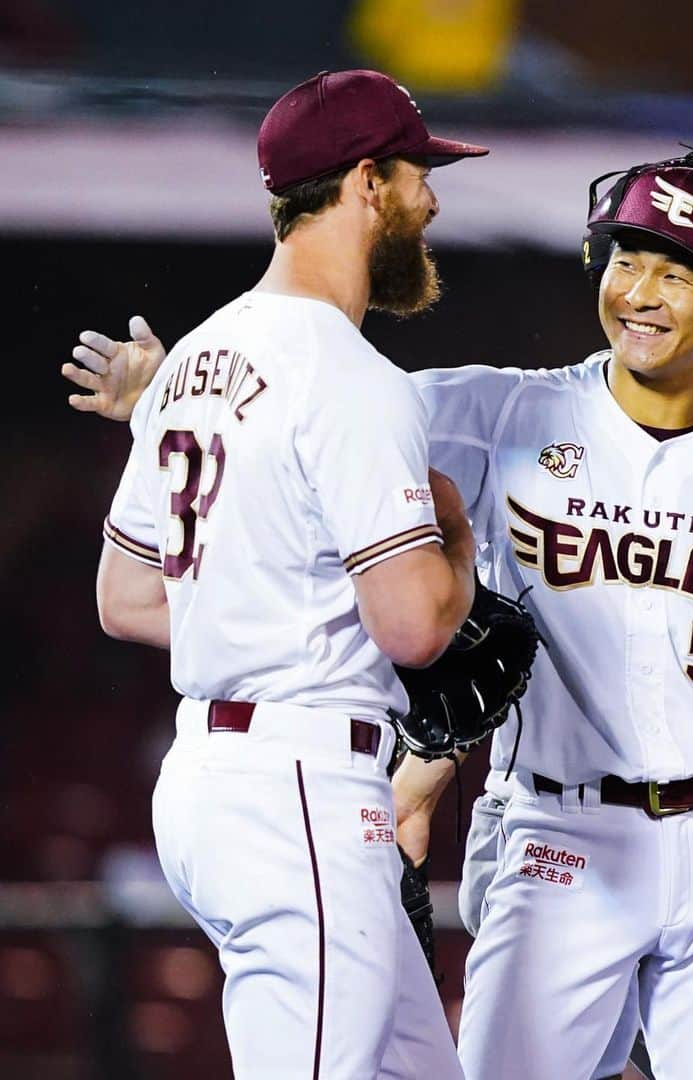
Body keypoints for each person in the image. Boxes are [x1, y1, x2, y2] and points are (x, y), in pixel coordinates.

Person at [68, 158, 693, 1080]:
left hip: (659, 831)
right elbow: (315, 420)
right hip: (526, 812)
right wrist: (170, 396)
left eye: (683, 263)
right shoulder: (518, 405)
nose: (650, 284)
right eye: (638, 256)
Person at [86, 68, 489, 1078]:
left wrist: (272, 605)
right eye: (416, 176)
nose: (431, 200)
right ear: (366, 183)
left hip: (214, 783)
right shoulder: (350, 375)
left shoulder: (191, 361)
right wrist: (459, 543)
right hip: (300, 791)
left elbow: (127, 597)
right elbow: (413, 630)